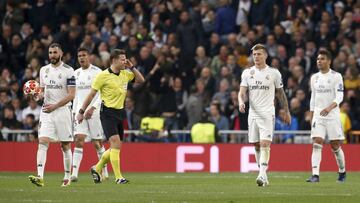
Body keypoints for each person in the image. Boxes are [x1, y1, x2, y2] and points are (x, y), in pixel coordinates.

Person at [77, 49, 145, 184]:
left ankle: (96, 168)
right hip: (107, 113)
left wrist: (132, 67)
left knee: (117, 146)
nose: (124, 61)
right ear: (114, 60)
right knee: (114, 143)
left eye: (125, 59)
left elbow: (141, 80)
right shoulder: (103, 76)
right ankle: (119, 177)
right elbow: (91, 95)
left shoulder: (125, 74)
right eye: (122, 59)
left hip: (120, 112)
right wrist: (81, 111)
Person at [238, 44, 291, 186]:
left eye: (259, 54)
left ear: (265, 56)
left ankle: (261, 175)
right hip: (253, 114)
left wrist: (286, 111)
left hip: (267, 112)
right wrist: (240, 102)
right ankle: (264, 175)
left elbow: (280, 94)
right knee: (256, 145)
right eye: (254, 54)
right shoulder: (247, 73)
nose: (256, 57)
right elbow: (242, 92)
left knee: (265, 144)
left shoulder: (274, 73)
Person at [28, 43, 75, 187]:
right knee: (42, 141)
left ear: (61, 53)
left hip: (63, 111)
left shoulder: (69, 70)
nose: (52, 55)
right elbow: (42, 92)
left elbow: (72, 95)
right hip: (47, 111)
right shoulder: (43, 70)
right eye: (50, 53)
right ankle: (40, 176)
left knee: (65, 145)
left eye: (55, 52)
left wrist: (56, 105)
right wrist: (35, 96)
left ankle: (67, 176)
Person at [306, 49, 346, 183]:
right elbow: (313, 97)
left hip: (333, 115)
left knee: (335, 144)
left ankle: (342, 171)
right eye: (318, 59)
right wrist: (312, 116)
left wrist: (329, 107)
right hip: (318, 115)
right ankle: (315, 175)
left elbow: (340, 95)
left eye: (322, 59)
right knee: (317, 142)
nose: (319, 61)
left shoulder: (336, 76)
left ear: (329, 61)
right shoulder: (314, 78)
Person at [70, 47, 109, 182]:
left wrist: (92, 108)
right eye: (79, 55)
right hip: (80, 113)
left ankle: (104, 170)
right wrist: (75, 112)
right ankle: (74, 173)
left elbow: (102, 94)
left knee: (97, 143)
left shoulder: (98, 72)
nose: (81, 58)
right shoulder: (75, 74)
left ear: (89, 56)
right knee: (79, 139)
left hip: (94, 112)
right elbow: (75, 96)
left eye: (84, 55)